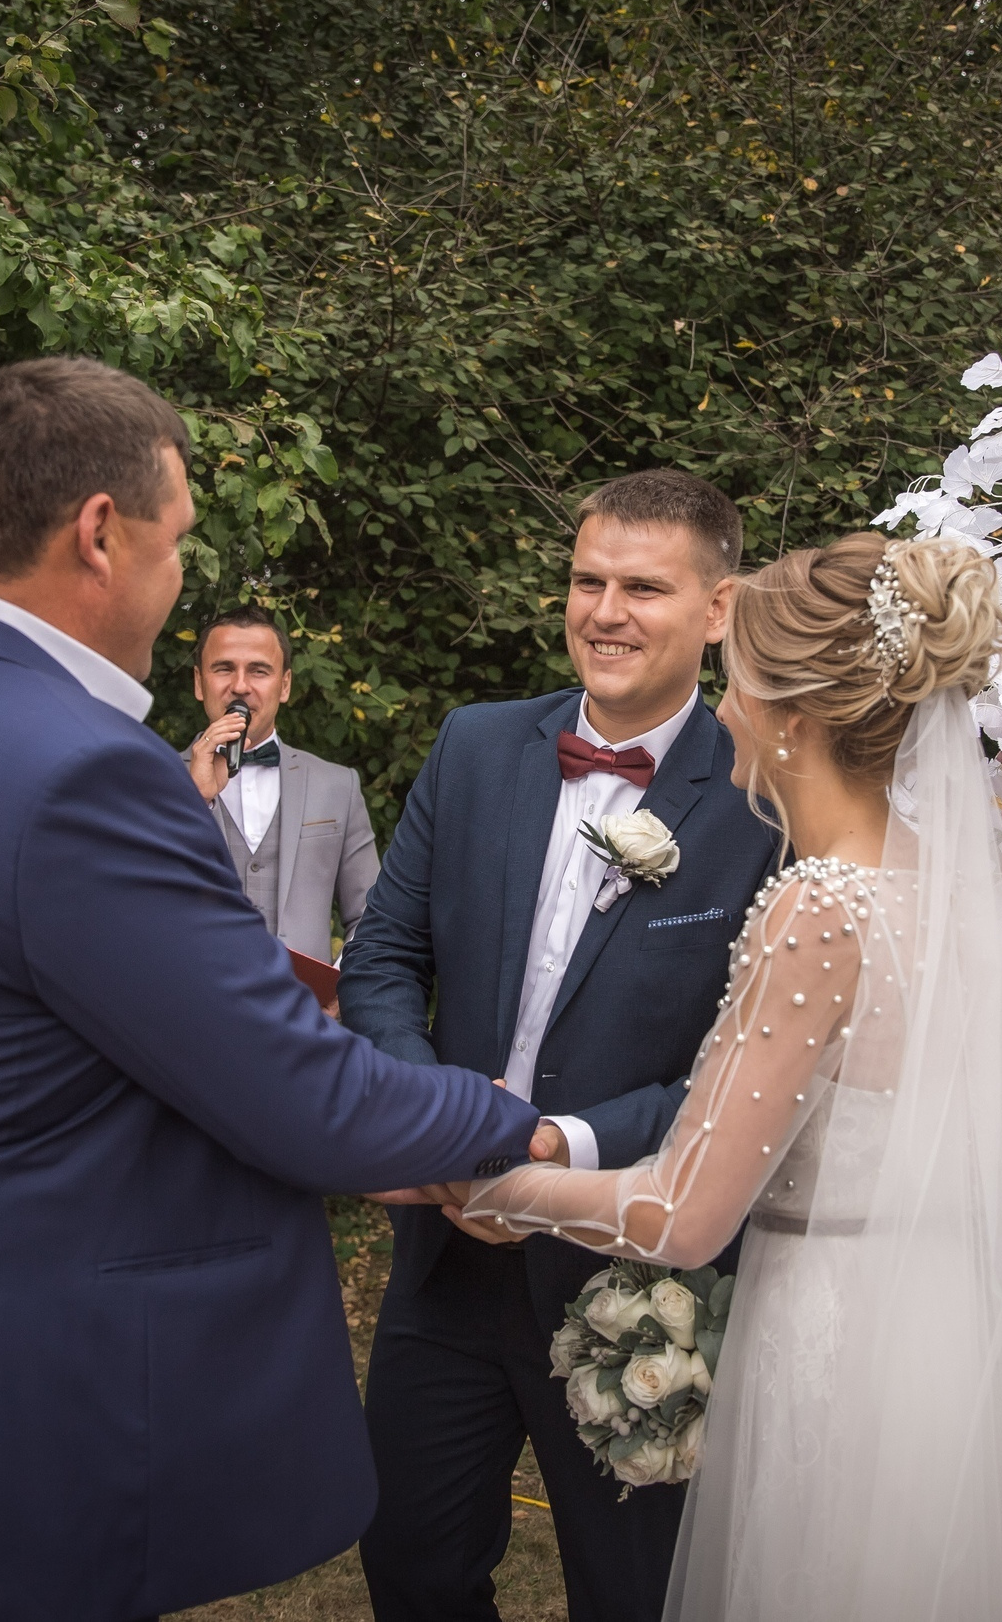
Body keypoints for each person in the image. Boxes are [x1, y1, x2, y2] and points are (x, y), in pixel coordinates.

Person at [0, 356, 537, 1622]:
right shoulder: (81, 767)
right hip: (22, 1381)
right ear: (99, 534)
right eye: (174, 543)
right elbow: (297, 1097)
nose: (177, 583)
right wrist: (508, 1120)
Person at [443, 533, 1002, 1621]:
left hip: (834, 1344)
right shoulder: (933, 881)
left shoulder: (819, 905)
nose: (722, 708)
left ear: (792, 719)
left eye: (737, 684)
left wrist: (492, 1186)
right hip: (936, 1335)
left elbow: (680, 1214)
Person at [339, 468, 780, 1622]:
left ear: (718, 610)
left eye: (643, 588)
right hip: (447, 1257)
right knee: (411, 1563)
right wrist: (441, 1124)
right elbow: (381, 959)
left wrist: (550, 1144)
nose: (605, 613)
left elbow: (750, 1068)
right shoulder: (476, 745)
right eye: (588, 581)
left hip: (633, 1281)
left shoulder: (763, 799)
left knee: (630, 1593)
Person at [181, 605, 380, 962]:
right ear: (199, 682)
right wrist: (194, 799)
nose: (240, 686)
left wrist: (339, 982)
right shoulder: (154, 780)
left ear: (285, 685)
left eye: (258, 671)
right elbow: (132, 902)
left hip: (305, 998)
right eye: (223, 668)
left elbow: (372, 914)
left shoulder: (338, 785)